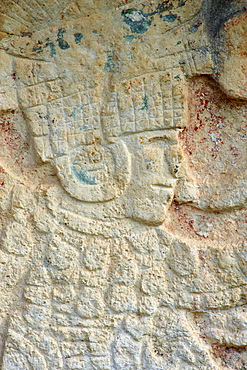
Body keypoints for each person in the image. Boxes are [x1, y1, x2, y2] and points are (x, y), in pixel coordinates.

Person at [0, 0, 246, 369]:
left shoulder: (170, 252)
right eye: (156, 151)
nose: (177, 167)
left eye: (172, 148)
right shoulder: (35, 239)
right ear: (97, 163)